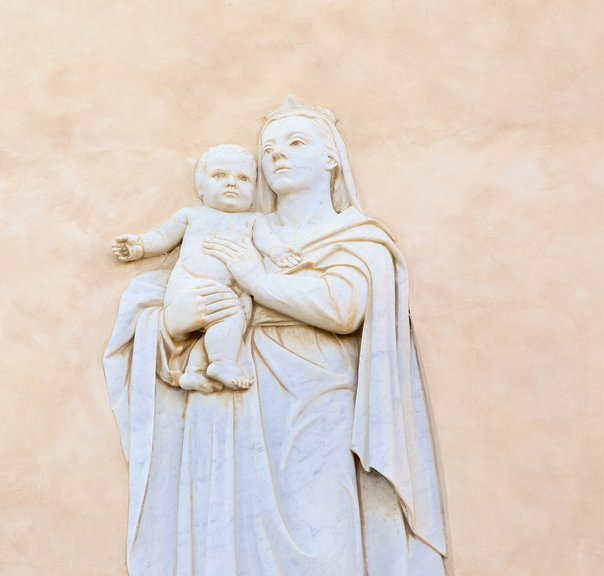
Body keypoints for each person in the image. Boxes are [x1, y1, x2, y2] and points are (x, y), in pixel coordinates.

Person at [104, 97, 449, 576]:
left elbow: (342, 307)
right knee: (224, 540)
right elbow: (162, 309)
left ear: (331, 157)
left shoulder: (354, 237)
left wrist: (253, 277)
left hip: (314, 403)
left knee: (322, 540)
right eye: (268, 149)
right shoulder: (239, 228)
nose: (277, 155)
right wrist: (173, 323)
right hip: (225, 404)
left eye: (295, 142)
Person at [111, 144, 300, 393]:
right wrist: (140, 246)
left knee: (228, 327)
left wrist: (279, 252)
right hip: (189, 284)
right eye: (219, 176)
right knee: (229, 316)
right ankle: (223, 364)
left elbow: (269, 243)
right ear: (201, 185)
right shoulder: (192, 216)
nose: (232, 183)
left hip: (231, 291)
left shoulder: (254, 220)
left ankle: (194, 371)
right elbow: (162, 238)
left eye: (243, 178)